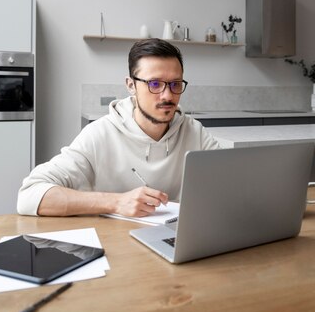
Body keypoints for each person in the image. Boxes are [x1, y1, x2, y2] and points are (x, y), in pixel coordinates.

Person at [17, 38, 221, 217]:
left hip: (176, 244)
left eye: (175, 84)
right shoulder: (99, 135)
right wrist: (116, 202)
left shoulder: (195, 132)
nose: (167, 95)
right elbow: (29, 195)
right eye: (155, 84)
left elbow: (232, 187)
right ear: (131, 85)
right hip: (117, 248)